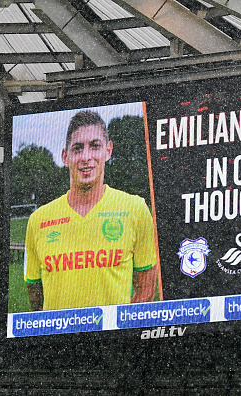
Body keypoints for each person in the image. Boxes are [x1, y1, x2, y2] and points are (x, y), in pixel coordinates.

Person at [24, 110, 158, 311]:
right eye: (77, 148)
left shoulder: (135, 209)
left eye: (95, 146)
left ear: (108, 150)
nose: (86, 157)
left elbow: (146, 290)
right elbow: (35, 295)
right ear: (65, 156)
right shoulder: (38, 220)